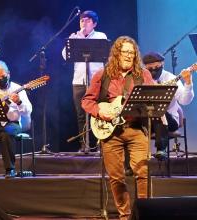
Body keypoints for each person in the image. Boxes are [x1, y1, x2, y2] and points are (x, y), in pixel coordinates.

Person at [81, 36, 155, 220]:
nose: (129, 55)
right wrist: (99, 111)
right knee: (116, 177)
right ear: (117, 53)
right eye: (125, 52)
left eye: (132, 52)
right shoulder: (103, 74)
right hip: (110, 132)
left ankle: (144, 214)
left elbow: (153, 98)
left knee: (143, 172)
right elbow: (87, 100)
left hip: (136, 129)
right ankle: (125, 215)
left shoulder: (143, 75)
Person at [61, 10, 107, 153]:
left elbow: (105, 54)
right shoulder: (74, 37)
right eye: (81, 20)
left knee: (98, 112)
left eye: (87, 21)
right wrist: (76, 37)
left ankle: (100, 144)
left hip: (97, 81)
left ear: (94, 23)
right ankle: (84, 145)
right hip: (78, 81)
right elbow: (65, 55)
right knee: (81, 114)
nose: (84, 23)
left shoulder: (100, 36)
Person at [142, 52, 194, 160]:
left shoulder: (170, 78)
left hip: (169, 120)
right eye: (150, 68)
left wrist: (188, 82)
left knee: (159, 112)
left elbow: (185, 100)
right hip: (147, 120)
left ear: (162, 64)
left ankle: (161, 149)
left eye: (157, 67)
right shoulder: (142, 78)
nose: (154, 70)